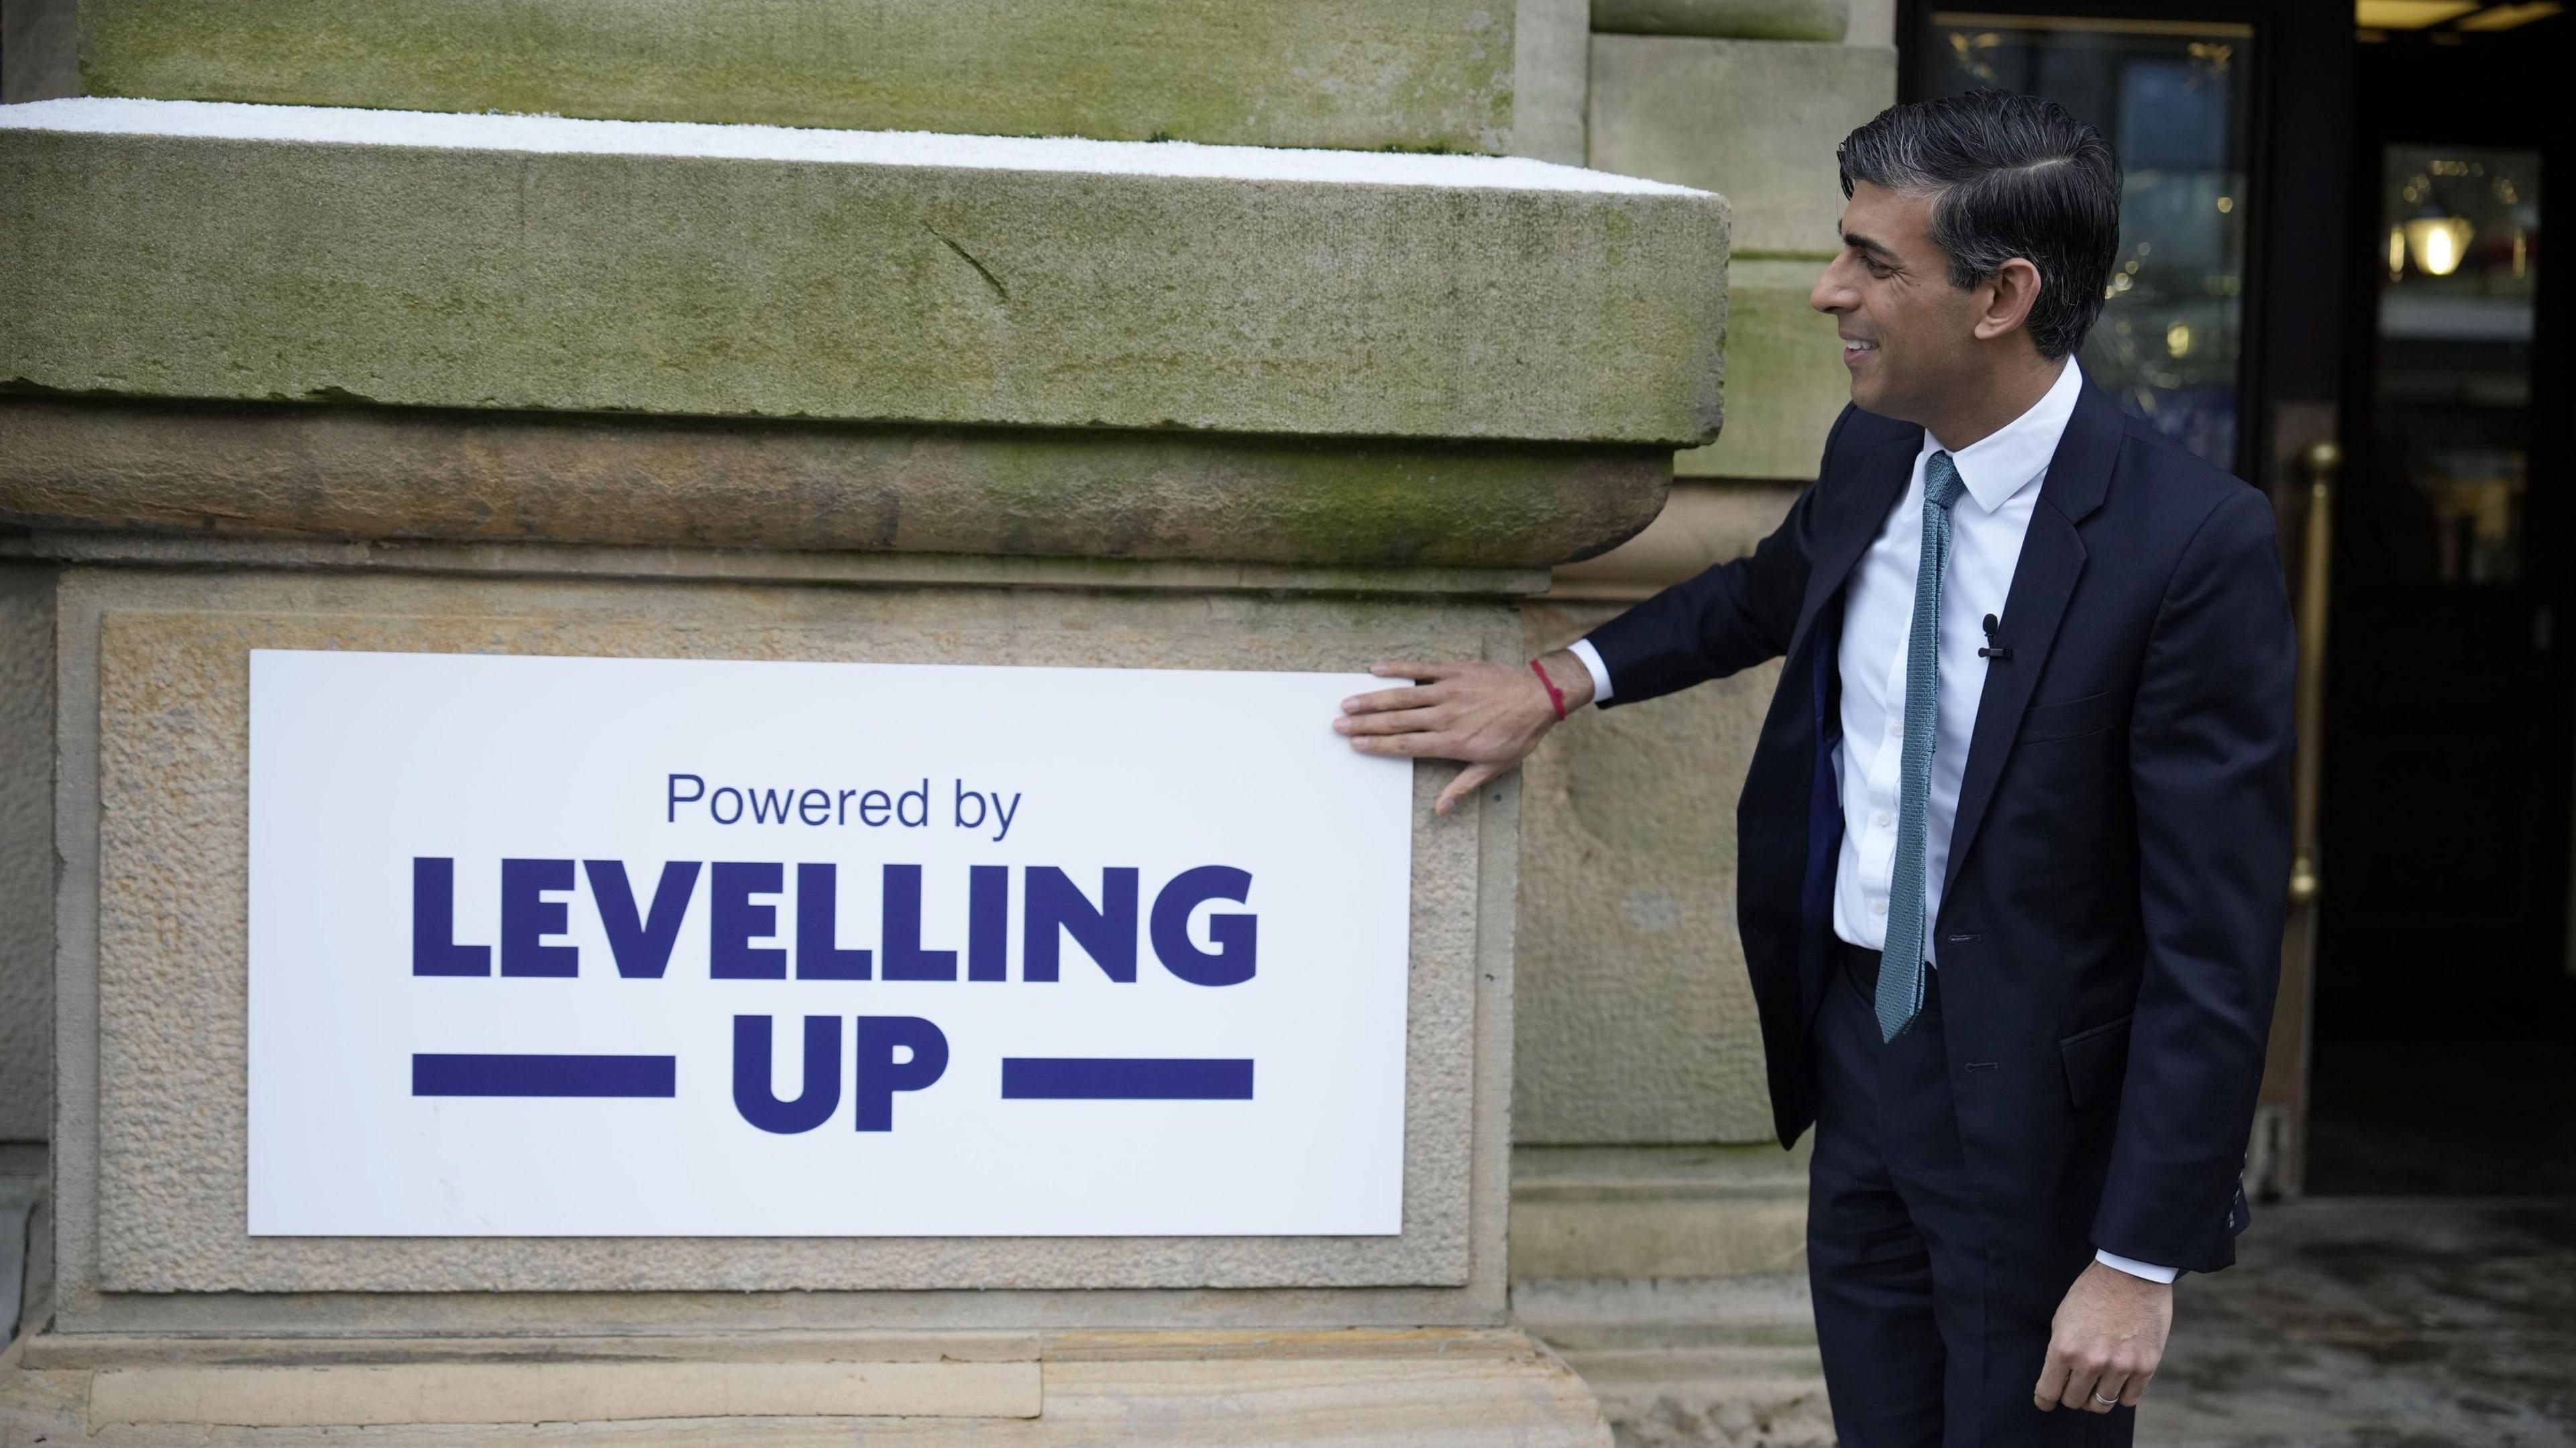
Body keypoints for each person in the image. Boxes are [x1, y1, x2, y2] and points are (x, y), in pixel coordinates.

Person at [1333, 91, 2294, 1446]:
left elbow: (2218, 940)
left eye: (1873, 263)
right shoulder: (1877, 447)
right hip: (1864, 1057)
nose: (1825, 292)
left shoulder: (2193, 545)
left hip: (2039, 1127)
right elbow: (1767, 591)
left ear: (2002, 296)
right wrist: (1555, 684)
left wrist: (2139, 1262)